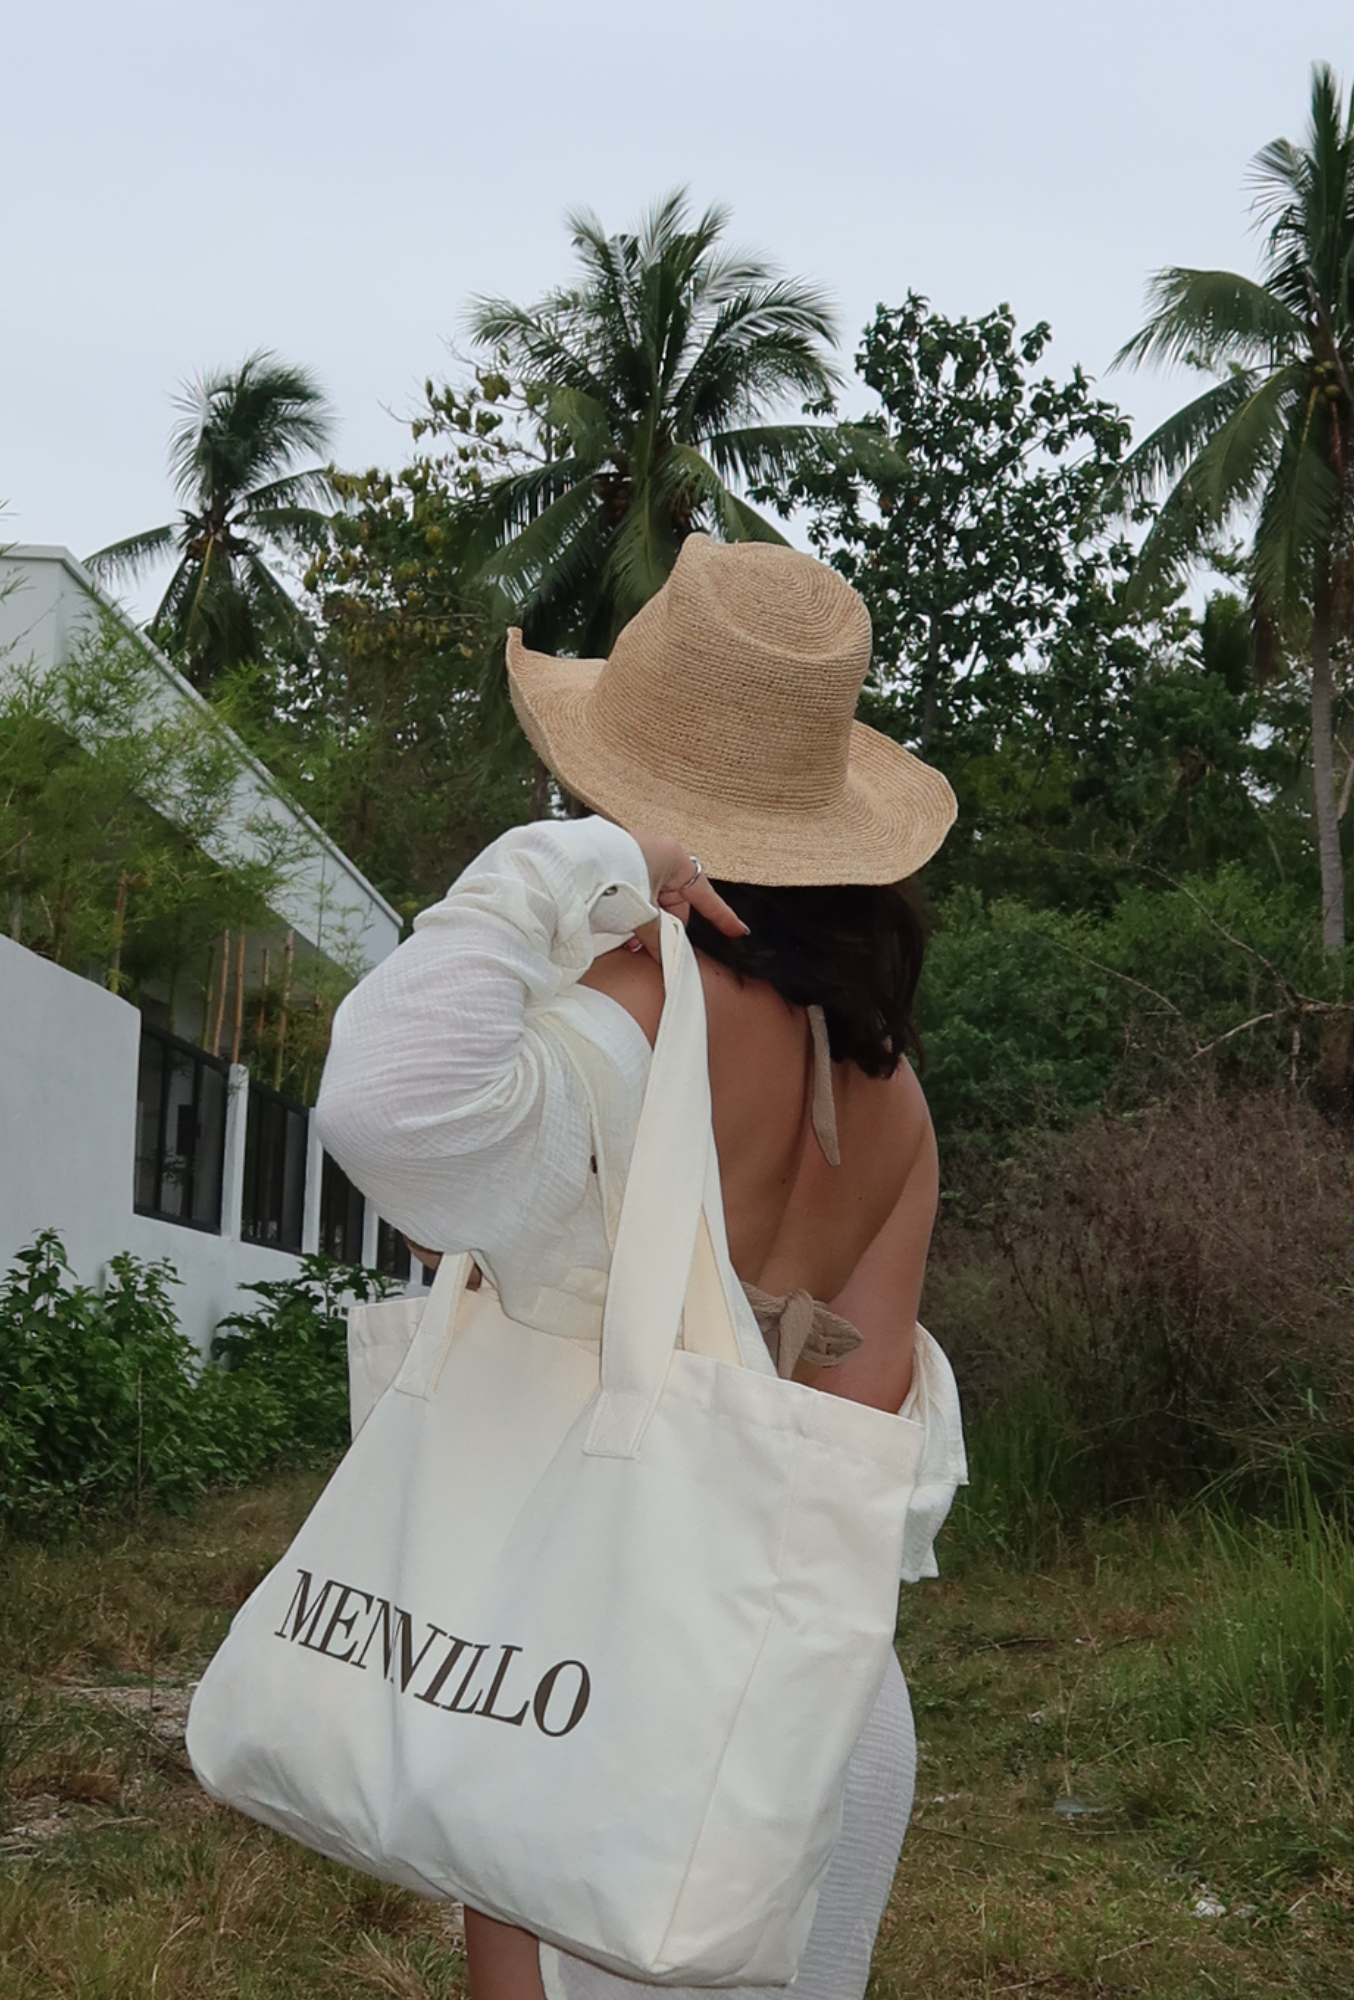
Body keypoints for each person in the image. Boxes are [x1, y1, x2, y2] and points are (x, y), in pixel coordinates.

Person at [316, 533, 967, 2000]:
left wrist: (574, 867)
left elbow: (380, 1100)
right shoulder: (890, 1091)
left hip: (589, 1679)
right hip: (823, 1699)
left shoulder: (629, 1009)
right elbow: (861, 1445)